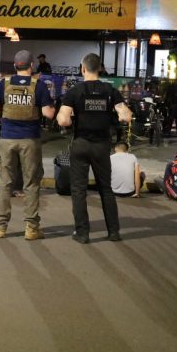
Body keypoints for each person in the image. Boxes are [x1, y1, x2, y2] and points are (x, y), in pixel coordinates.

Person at [57, 53, 131, 243]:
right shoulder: (109, 90)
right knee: (106, 189)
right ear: (100, 68)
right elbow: (126, 116)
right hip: (101, 145)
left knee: (79, 190)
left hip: (81, 144)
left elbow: (63, 120)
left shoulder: (75, 91)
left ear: (83, 69)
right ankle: (113, 232)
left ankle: (82, 233)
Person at [0, 50, 56, 239]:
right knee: (31, 183)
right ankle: (31, 228)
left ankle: (0, 227)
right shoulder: (38, 85)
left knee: (5, 183)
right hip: (30, 140)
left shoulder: (4, 84)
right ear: (31, 66)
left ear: (16, 66)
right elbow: (49, 114)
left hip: (7, 138)